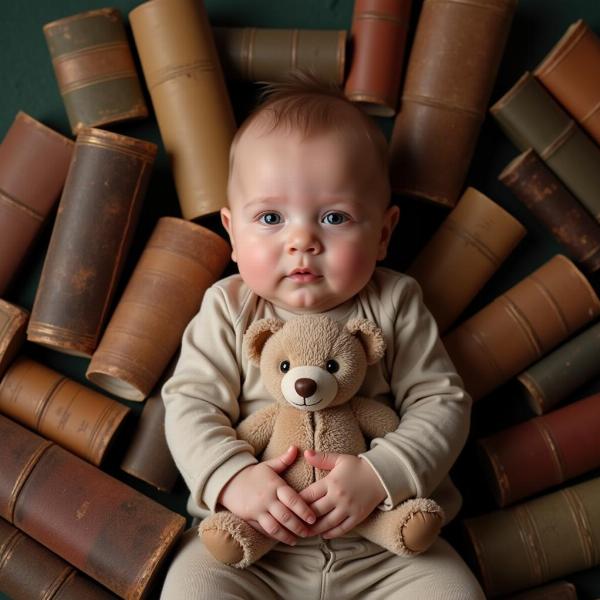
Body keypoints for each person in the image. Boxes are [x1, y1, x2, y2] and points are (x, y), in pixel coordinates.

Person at [160, 75, 485, 599]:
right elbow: (189, 403)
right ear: (232, 235)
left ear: (382, 233)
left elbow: (441, 402)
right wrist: (233, 478)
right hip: (254, 548)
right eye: (270, 218)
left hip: (385, 545)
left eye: (334, 217)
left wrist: (384, 474)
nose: (302, 240)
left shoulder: (395, 301)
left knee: (451, 590)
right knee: (192, 584)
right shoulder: (229, 306)